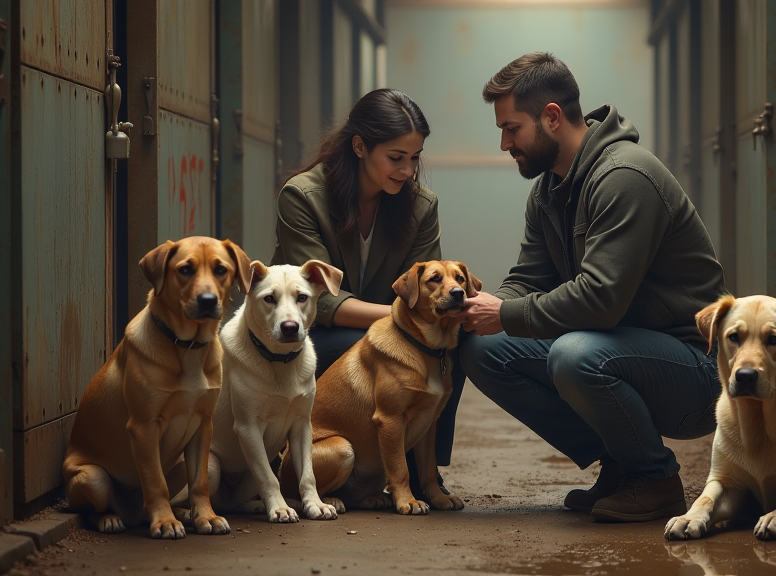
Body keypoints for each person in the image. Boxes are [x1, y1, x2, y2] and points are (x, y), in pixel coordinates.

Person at [455, 53, 726, 523]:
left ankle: (655, 480)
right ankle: (621, 463)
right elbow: (528, 278)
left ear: (552, 117)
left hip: (694, 373)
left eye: (511, 128)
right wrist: (480, 311)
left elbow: (600, 300)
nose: (504, 143)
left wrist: (507, 313)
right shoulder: (548, 190)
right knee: (484, 349)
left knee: (574, 354)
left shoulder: (625, 177)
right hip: (621, 349)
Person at [271, 88, 463, 490]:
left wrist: (433, 316)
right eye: (396, 158)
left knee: (450, 346)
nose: (408, 170)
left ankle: (425, 472)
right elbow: (320, 300)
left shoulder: (421, 206)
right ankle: (303, 457)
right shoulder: (303, 197)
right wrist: (403, 319)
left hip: (393, 329)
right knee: (369, 345)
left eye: (415, 158)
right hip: (313, 333)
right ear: (359, 146)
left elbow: (432, 294)